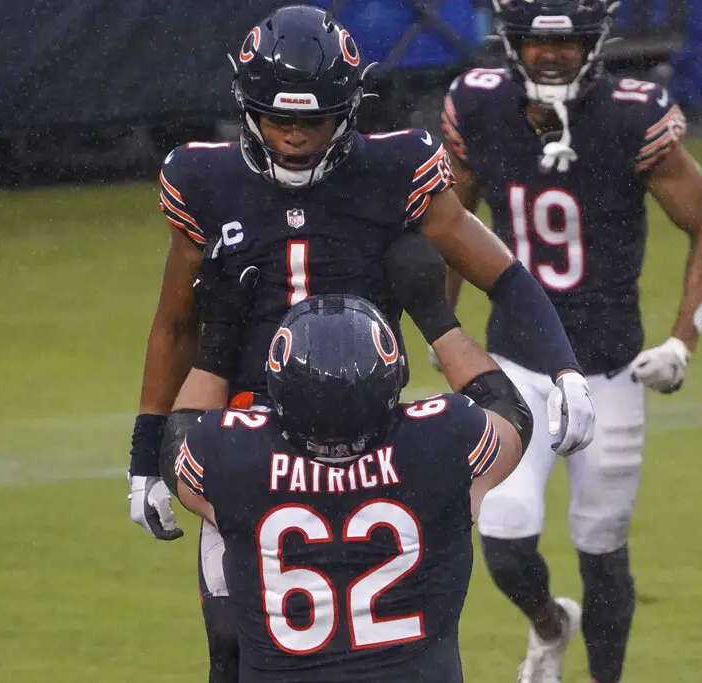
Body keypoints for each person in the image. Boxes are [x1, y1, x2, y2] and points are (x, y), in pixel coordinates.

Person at [125, 5, 596, 682]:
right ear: (247, 106)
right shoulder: (205, 181)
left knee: (393, 615)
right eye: (276, 117)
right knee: (232, 637)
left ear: (346, 110)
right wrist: (144, 455)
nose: (291, 135)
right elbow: (173, 321)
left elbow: (502, 272)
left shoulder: (395, 168)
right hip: (248, 434)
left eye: (311, 119)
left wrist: (564, 368)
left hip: (364, 431)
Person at [438, 1, 702, 682]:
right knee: (504, 537)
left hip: (609, 368)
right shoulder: (479, 105)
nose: (550, 56)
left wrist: (683, 339)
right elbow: (447, 222)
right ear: (510, 42)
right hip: (517, 366)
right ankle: (549, 622)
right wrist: (444, 327)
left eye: (567, 42)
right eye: (535, 43)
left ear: (594, 41)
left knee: (602, 548)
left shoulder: (633, 115)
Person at [171, 233, 535, 683]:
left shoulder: (234, 455)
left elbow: (178, 450)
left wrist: (218, 341)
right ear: (391, 374)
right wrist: (434, 315)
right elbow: (512, 417)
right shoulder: (440, 440)